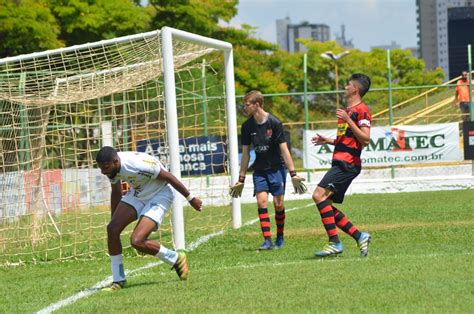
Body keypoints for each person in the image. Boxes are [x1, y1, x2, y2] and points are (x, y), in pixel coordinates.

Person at [96, 146, 202, 291]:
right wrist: (114, 219)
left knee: (137, 241)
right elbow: (116, 192)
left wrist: (191, 199)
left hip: (160, 194)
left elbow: (168, 177)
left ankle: (175, 258)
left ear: (115, 162)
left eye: (106, 168)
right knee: (112, 229)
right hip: (138, 193)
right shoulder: (112, 167)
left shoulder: (137, 164)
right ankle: (118, 280)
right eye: (101, 168)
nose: (104, 172)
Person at [229, 90, 307, 250]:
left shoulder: (274, 123)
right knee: (261, 201)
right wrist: (241, 178)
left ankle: (280, 237)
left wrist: (293, 174)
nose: (245, 108)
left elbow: (285, 150)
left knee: (278, 205)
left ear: (257, 105)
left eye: (247, 104)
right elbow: (245, 155)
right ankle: (267, 240)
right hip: (260, 171)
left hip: (277, 169)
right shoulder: (246, 126)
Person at [311, 73, 372, 258]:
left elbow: (366, 139)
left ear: (355, 89)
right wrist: (328, 140)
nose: (345, 87)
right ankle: (360, 236)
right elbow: (345, 139)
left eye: (348, 85)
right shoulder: (346, 110)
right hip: (340, 161)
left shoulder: (361, 110)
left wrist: (348, 120)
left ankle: (335, 242)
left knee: (318, 195)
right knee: (325, 203)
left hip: (348, 164)